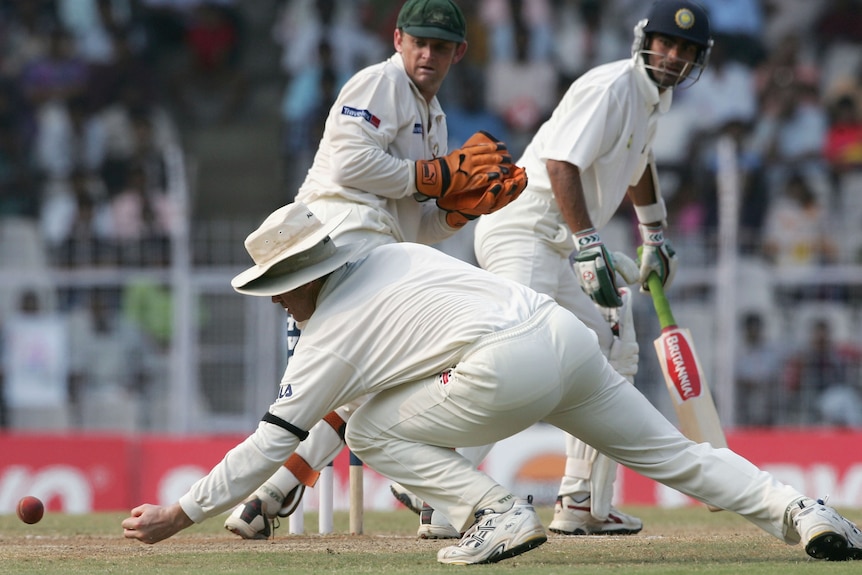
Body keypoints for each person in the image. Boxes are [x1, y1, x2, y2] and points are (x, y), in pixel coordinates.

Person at [121, 202, 862, 565]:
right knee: (680, 456)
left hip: (505, 362)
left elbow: (267, 443)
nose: (278, 300)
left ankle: (497, 511)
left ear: (305, 273)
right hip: (564, 340)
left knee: (372, 428)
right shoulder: (387, 253)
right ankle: (803, 511)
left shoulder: (330, 334)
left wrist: (179, 514)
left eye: (280, 285)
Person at [221, 0, 526, 540]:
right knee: (397, 372)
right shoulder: (379, 84)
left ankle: (271, 495)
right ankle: (430, 487)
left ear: (459, 52)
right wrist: (435, 176)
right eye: (418, 42)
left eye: (439, 46)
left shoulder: (434, 118)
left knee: (368, 384)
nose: (427, 54)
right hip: (335, 241)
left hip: (378, 249)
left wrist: (458, 210)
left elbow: (416, 222)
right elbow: (351, 165)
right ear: (398, 40)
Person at [462, 0, 710, 537]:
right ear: (646, 41)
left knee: (610, 350)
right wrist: (590, 242)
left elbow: (638, 165)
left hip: (558, 244)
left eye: (685, 51)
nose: (673, 57)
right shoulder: (611, 87)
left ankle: (583, 502)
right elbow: (561, 163)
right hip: (524, 229)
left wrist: (655, 230)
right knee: (519, 356)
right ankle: (433, 485)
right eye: (667, 44)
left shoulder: (652, 102)